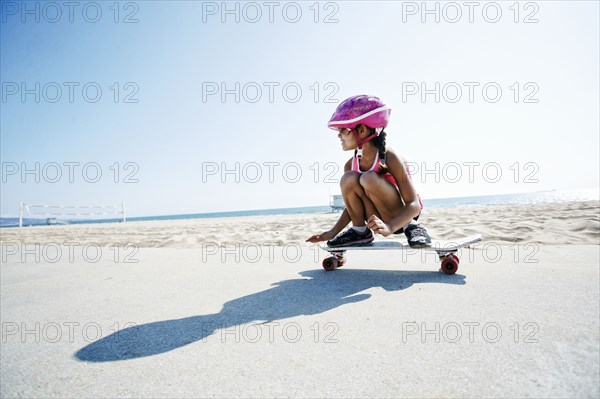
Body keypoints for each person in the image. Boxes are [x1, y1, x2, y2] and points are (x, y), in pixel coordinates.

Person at [306, 95, 432, 248]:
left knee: (369, 178)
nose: (339, 135)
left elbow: (414, 204)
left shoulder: (388, 156)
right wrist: (331, 232)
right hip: (377, 220)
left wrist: (391, 227)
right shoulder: (350, 165)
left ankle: (412, 227)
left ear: (362, 130)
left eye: (343, 130)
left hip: (402, 218)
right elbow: (353, 206)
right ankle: (360, 231)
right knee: (348, 178)